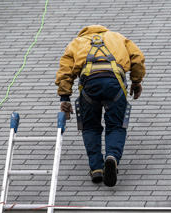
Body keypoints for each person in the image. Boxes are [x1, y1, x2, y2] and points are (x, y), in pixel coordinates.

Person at [55, 25, 145, 187]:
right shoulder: (118, 37)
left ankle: (96, 167)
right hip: (114, 83)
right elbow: (137, 57)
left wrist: (65, 97)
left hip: (90, 85)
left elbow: (65, 70)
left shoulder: (77, 42)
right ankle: (112, 157)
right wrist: (136, 81)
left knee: (90, 127)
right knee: (116, 126)